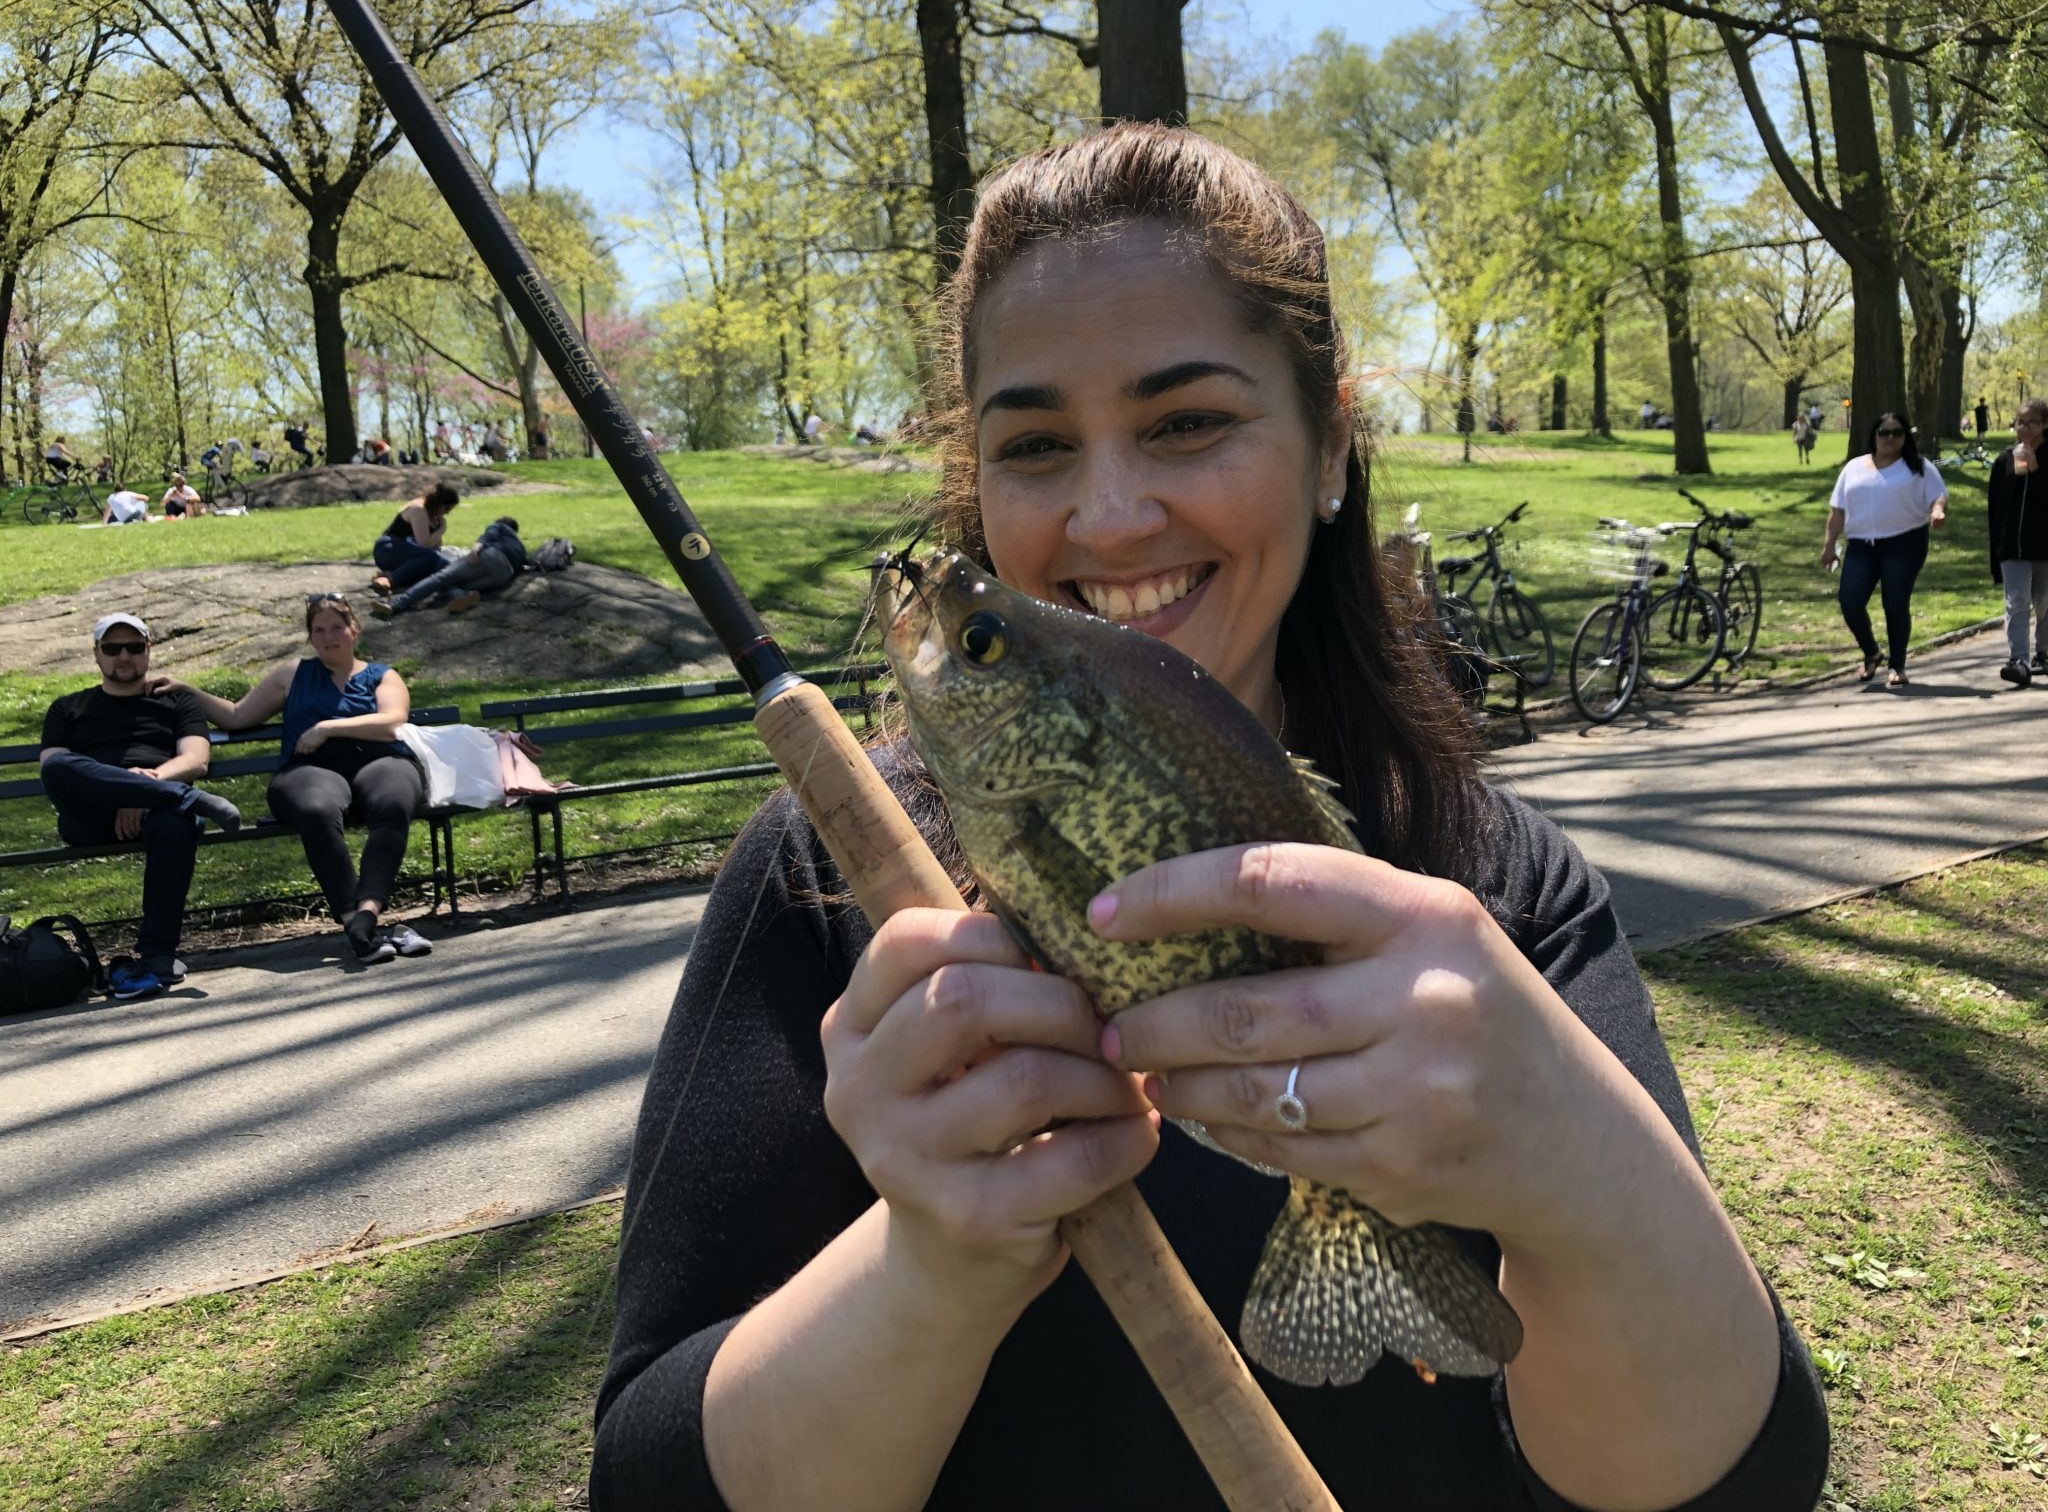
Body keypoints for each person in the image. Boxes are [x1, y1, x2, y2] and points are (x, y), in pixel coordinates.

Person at [592, 124, 1826, 1512]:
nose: (1113, 515)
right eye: (1038, 444)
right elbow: (649, 1482)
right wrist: (930, 1264)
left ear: (1329, 452)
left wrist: (1573, 1161)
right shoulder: (827, 875)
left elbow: (1736, 1485)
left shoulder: (1496, 887)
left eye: (1187, 422)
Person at [153, 596, 432, 967]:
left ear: (355, 630)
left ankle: (369, 910)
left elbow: (393, 721)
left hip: (380, 761)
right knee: (316, 810)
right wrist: (187, 690)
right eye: (319, 630)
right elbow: (237, 716)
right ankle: (354, 922)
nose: (329, 637)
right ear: (310, 637)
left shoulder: (382, 675)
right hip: (309, 770)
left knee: (394, 801)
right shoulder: (292, 674)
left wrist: (326, 728)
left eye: (337, 627)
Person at [38, 613, 242, 1000]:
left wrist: (144, 789)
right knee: (60, 764)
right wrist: (129, 791)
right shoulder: (68, 708)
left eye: (134, 647)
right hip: (90, 815)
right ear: (96, 655)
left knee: (176, 825)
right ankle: (187, 798)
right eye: (112, 649)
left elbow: (195, 760)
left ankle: (158, 955)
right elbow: (53, 768)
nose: (124, 656)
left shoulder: (177, 702)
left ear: (148, 651)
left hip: (157, 811)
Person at [1820, 410, 1947, 687]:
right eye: (1884, 432)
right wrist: (1829, 545)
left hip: (1904, 543)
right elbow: (1837, 510)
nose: (1890, 437)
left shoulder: (1918, 466)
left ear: (1905, 438)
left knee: (1895, 602)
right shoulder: (1854, 467)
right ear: (1874, 435)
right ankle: (1872, 652)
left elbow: (1939, 494)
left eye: (1897, 433)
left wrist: (1937, 512)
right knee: (1850, 601)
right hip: (1861, 545)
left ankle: (1897, 665)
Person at [1987, 399, 2048, 687]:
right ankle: (2018, 661)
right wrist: (1996, 551)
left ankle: (2043, 652)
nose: (2024, 427)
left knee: (2044, 600)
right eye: (2020, 421)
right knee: (2017, 601)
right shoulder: (2004, 459)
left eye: (2032, 422)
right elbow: (1996, 508)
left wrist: (2035, 470)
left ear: (2044, 425)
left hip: (2044, 545)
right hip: (2012, 545)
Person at [371, 516, 525, 617]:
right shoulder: (520, 547)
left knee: (440, 578)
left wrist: (477, 548)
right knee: (457, 585)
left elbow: (489, 535)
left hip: (491, 556)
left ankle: (397, 604)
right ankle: (461, 595)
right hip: (503, 576)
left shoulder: (500, 526)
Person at [369, 483, 459, 595]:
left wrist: (437, 526)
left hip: (409, 553)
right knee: (433, 559)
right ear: (439, 503)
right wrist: (442, 528)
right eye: (447, 508)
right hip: (389, 549)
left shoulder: (433, 515)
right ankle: (391, 579)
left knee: (442, 564)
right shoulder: (418, 509)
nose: (447, 512)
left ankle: (387, 577)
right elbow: (425, 544)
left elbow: (436, 546)